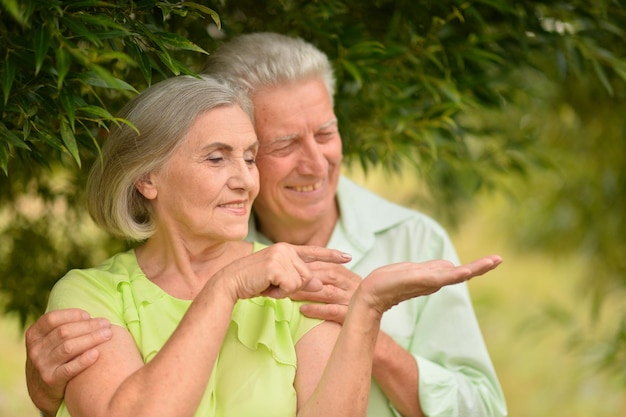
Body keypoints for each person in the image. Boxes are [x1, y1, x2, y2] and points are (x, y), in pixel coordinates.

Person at [25, 33, 507, 417]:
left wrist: (366, 310)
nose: (316, 164)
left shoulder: (311, 271)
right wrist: (53, 397)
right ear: (147, 179)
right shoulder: (93, 293)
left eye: (250, 156)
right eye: (218, 157)